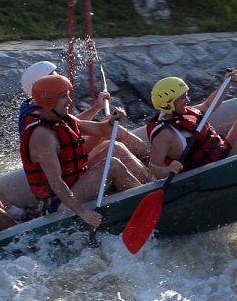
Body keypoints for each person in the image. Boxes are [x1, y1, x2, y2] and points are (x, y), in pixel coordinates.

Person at [21, 74, 149, 228]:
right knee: (112, 165)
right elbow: (56, 182)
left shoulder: (63, 119)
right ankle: (146, 202)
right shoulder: (43, 136)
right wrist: (83, 212)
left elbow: (102, 129)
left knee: (115, 148)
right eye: (63, 97)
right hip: (61, 204)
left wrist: (113, 120)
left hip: (77, 184)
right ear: (49, 101)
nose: (69, 101)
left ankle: (150, 184)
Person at [146, 69, 237, 180]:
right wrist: (168, 170)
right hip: (216, 174)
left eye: (186, 95)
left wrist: (227, 83)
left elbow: (208, 105)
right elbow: (153, 168)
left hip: (223, 155)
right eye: (182, 98)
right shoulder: (164, 135)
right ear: (168, 104)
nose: (187, 100)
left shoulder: (183, 113)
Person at [19, 61, 151, 167]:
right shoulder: (41, 116)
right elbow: (71, 134)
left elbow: (73, 123)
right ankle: (154, 165)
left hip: (72, 155)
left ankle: (153, 161)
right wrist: (108, 124)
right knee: (115, 136)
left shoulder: (42, 107)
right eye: (54, 77)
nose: (59, 79)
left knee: (113, 129)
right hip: (71, 163)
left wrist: (98, 107)